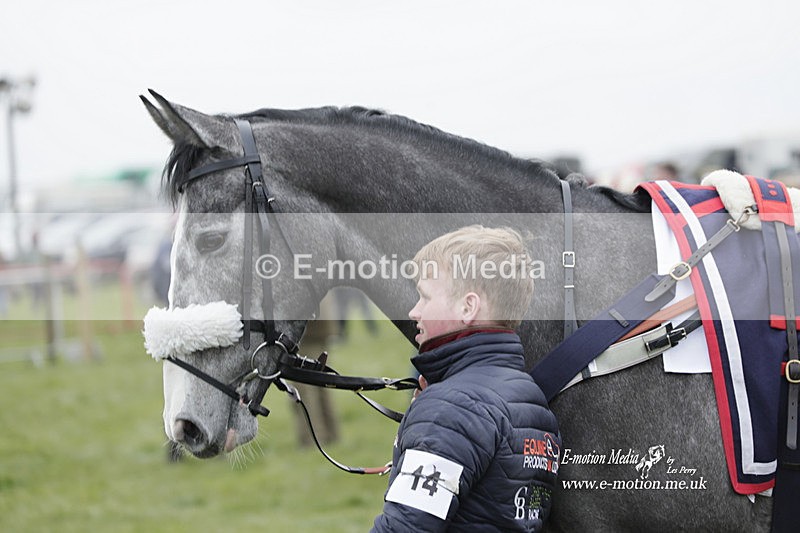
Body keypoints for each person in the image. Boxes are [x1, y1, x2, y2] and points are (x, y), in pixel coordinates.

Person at [372, 226, 560, 532]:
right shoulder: (532, 400)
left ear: (468, 307)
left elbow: (405, 528)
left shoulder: (453, 408)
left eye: (424, 296)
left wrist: (435, 416)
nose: (413, 311)